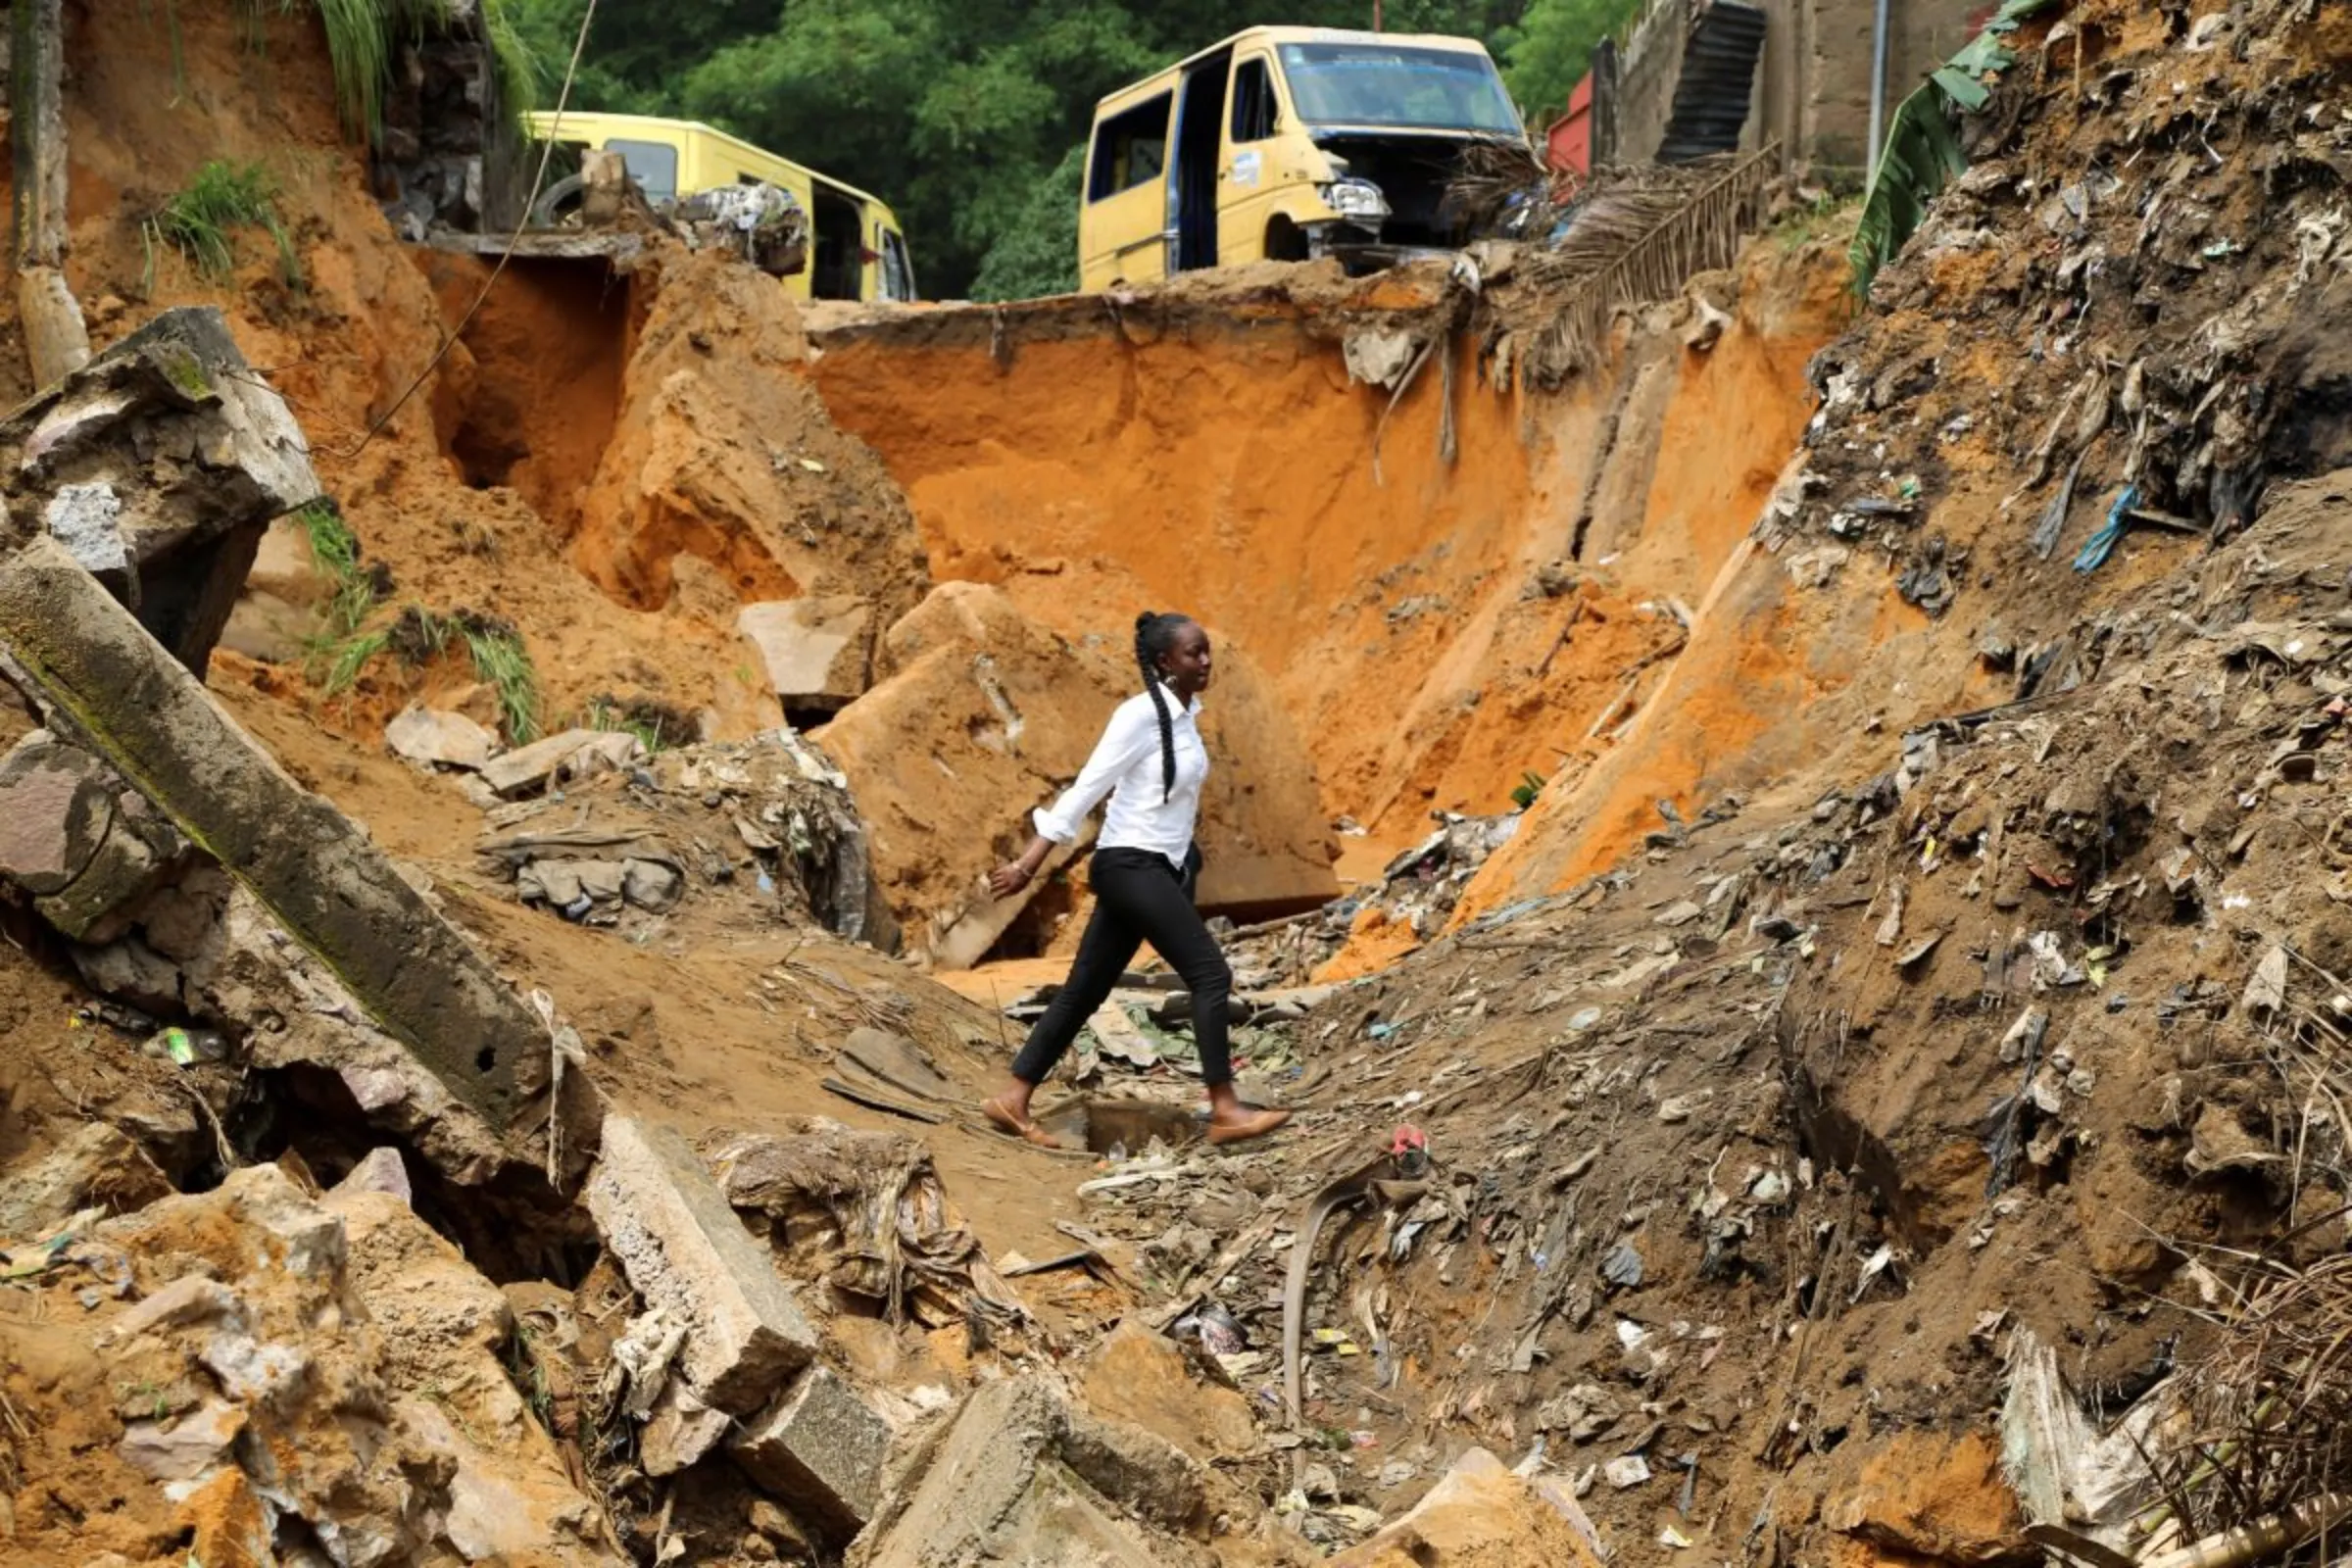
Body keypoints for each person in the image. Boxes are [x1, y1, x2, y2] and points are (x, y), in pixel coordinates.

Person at [981, 612, 1292, 1150]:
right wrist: (1030, 862)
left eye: (1207, 650)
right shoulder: (1139, 716)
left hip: (1157, 868)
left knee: (1085, 990)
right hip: (1130, 866)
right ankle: (1225, 1108)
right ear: (1164, 661)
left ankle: (1012, 1099)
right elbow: (1087, 787)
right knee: (1210, 975)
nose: (1206, 661)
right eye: (1194, 653)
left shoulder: (1183, 717)